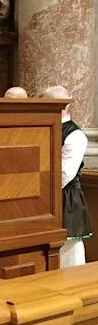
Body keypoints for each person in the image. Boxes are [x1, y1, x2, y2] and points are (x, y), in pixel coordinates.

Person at [42, 86, 91, 268]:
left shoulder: (74, 135)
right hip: (46, 197)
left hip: (65, 197)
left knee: (69, 251)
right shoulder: (44, 127)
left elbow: (65, 172)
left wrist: (41, 191)